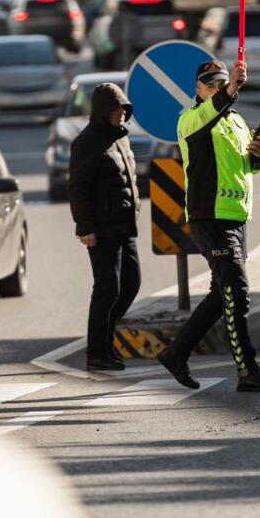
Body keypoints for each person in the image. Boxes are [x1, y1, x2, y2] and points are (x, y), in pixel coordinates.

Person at [157, 59, 260, 393]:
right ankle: (247, 371)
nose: (216, 89)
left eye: (221, 83)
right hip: (209, 217)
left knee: (221, 294)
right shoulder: (192, 120)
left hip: (236, 216)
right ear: (198, 90)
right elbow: (213, 109)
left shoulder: (237, 122)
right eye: (210, 85)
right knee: (237, 291)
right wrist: (229, 90)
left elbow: (248, 166)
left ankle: (175, 353)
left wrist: (259, 152)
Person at [67, 81, 142, 372]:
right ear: (103, 111)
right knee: (107, 289)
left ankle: (106, 343)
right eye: (116, 108)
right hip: (101, 229)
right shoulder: (87, 142)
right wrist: (85, 227)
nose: (122, 112)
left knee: (130, 286)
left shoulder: (121, 138)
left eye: (124, 107)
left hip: (125, 226)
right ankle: (96, 352)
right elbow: (77, 188)